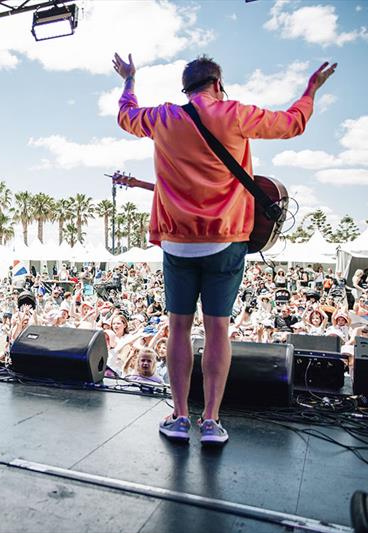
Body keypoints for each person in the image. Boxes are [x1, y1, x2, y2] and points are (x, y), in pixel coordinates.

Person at [113, 51, 336, 444]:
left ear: (186, 88)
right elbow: (292, 123)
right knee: (218, 331)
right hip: (225, 242)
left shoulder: (164, 117)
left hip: (178, 244)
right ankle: (211, 422)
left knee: (178, 329)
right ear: (217, 84)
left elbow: (126, 115)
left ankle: (179, 417)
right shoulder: (234, 113)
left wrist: (130, 79)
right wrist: (310, 90)